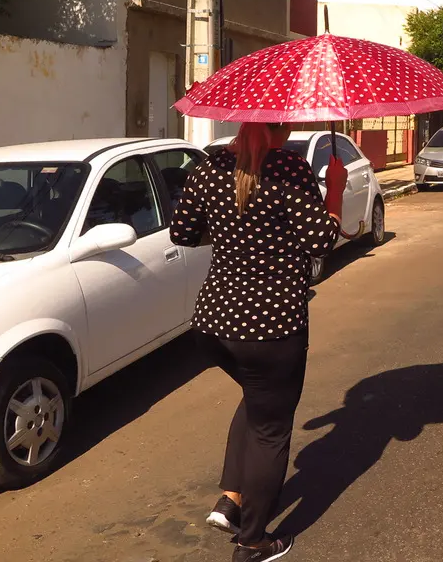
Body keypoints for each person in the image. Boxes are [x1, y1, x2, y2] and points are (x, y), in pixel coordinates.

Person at [171, 121, 340, 562]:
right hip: (270, 328)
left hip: (214, 324)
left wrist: (235, 232)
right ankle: (252, 543)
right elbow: (322, 239)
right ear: (282, 126)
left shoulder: (208, 169)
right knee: (270, 428)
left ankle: (231, 501)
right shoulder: (288, 168)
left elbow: (182, 234)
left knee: (257, 397)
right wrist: (334, 191)